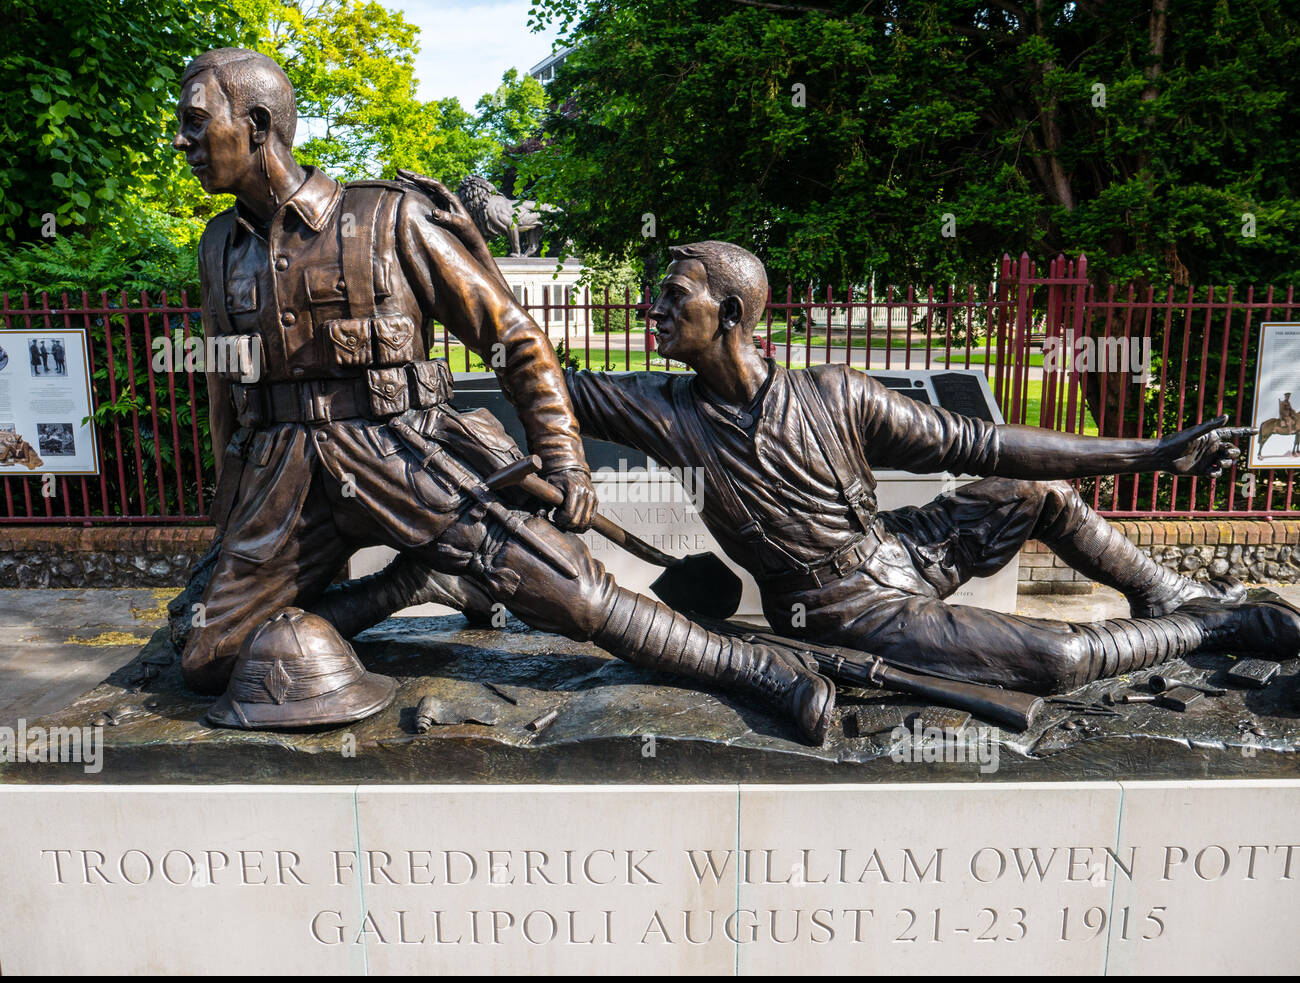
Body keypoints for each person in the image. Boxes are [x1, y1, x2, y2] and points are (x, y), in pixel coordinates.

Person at [172, 49, 832, 738]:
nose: (182, 141)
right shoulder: (220, 244)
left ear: (253, 124)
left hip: (401, 455)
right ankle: (411, 582)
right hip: (283, 474)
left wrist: (563, 457)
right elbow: (225, 384)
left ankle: (763, 674)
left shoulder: (387, 220)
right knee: (210, 659)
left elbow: (513, 340)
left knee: (570, 595)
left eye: (194, 121)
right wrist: (232, 516)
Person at [424, 220, 1300, 694]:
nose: (654, 310)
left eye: (672, 297)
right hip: (842, 614)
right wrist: (470, 262)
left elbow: (988, 442)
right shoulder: (662, 409)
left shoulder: (835, 392)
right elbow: (530, 358)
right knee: (1062, 662)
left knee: (1032, 493)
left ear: (732, 314)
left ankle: (1163, 590)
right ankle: (1210, 625)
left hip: (900, 555)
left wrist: (1151, 450)